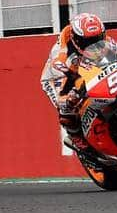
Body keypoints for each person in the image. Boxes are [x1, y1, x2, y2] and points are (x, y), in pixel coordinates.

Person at [39, 12, 109, 154]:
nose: (94, 46)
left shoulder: (100, 39)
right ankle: (77, 139)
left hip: (81, 68)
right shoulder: (62, 48)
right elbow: (59, 64)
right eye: (88, 42)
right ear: (76, 39)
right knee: (66, 105)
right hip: (58, 76)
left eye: (98, 39)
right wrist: (76, 82)